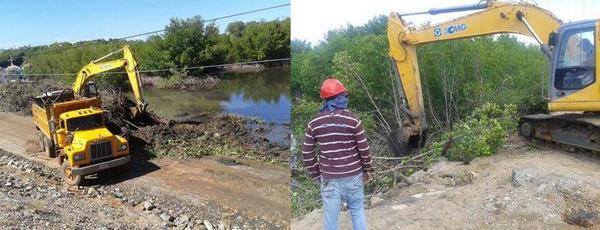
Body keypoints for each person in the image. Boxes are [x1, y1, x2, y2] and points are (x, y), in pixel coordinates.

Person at [302, 78, 373, 230]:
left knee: (331, 218)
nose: (346, 99)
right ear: (340, 98)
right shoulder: (353, 120)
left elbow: (307, 152)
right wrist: (367, 170)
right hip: (353, 175)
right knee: (357, 210)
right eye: (345, 96)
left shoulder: (314, 123)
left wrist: (315, 174)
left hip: (329, 178)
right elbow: (364, 149)